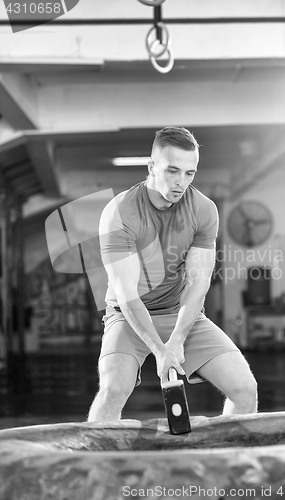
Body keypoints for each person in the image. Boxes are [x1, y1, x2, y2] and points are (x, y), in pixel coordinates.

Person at [88, 126, 257, 422]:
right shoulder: (120, 213)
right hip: (128, 316)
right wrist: (159, 350)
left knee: (244, 388)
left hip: (181, 314)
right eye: (172, 171)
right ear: (152, 167)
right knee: (114, 389)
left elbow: (199, 281)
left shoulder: (204, 209)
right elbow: (127, 295)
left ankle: (229, 461)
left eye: (190, 173)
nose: (181, 183)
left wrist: (177, 338)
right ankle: (95, 468)